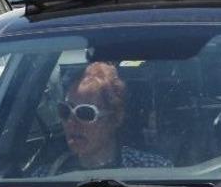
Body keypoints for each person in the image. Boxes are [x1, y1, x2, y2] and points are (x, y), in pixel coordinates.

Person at [34, 62, 171, 175]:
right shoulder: (43, 179)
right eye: (65, 111)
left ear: (115, 118)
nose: (71, 122)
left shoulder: (153, 172)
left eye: (85, 113)